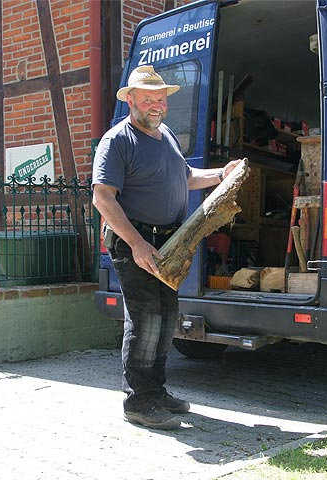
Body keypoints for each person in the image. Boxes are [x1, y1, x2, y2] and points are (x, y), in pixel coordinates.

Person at [92, 65, 241, 430]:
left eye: (161, 99)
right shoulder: (117, 140)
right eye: (148, 99)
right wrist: (138, 243)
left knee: (165, 319)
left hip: (169, 243)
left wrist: (221, 175)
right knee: (145, 321)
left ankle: (155, 392)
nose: (157, 105)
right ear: (131, 100)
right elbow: (102, 198)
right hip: (136, 243)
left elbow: (186, 177)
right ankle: (139, 402)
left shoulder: (167, 135)